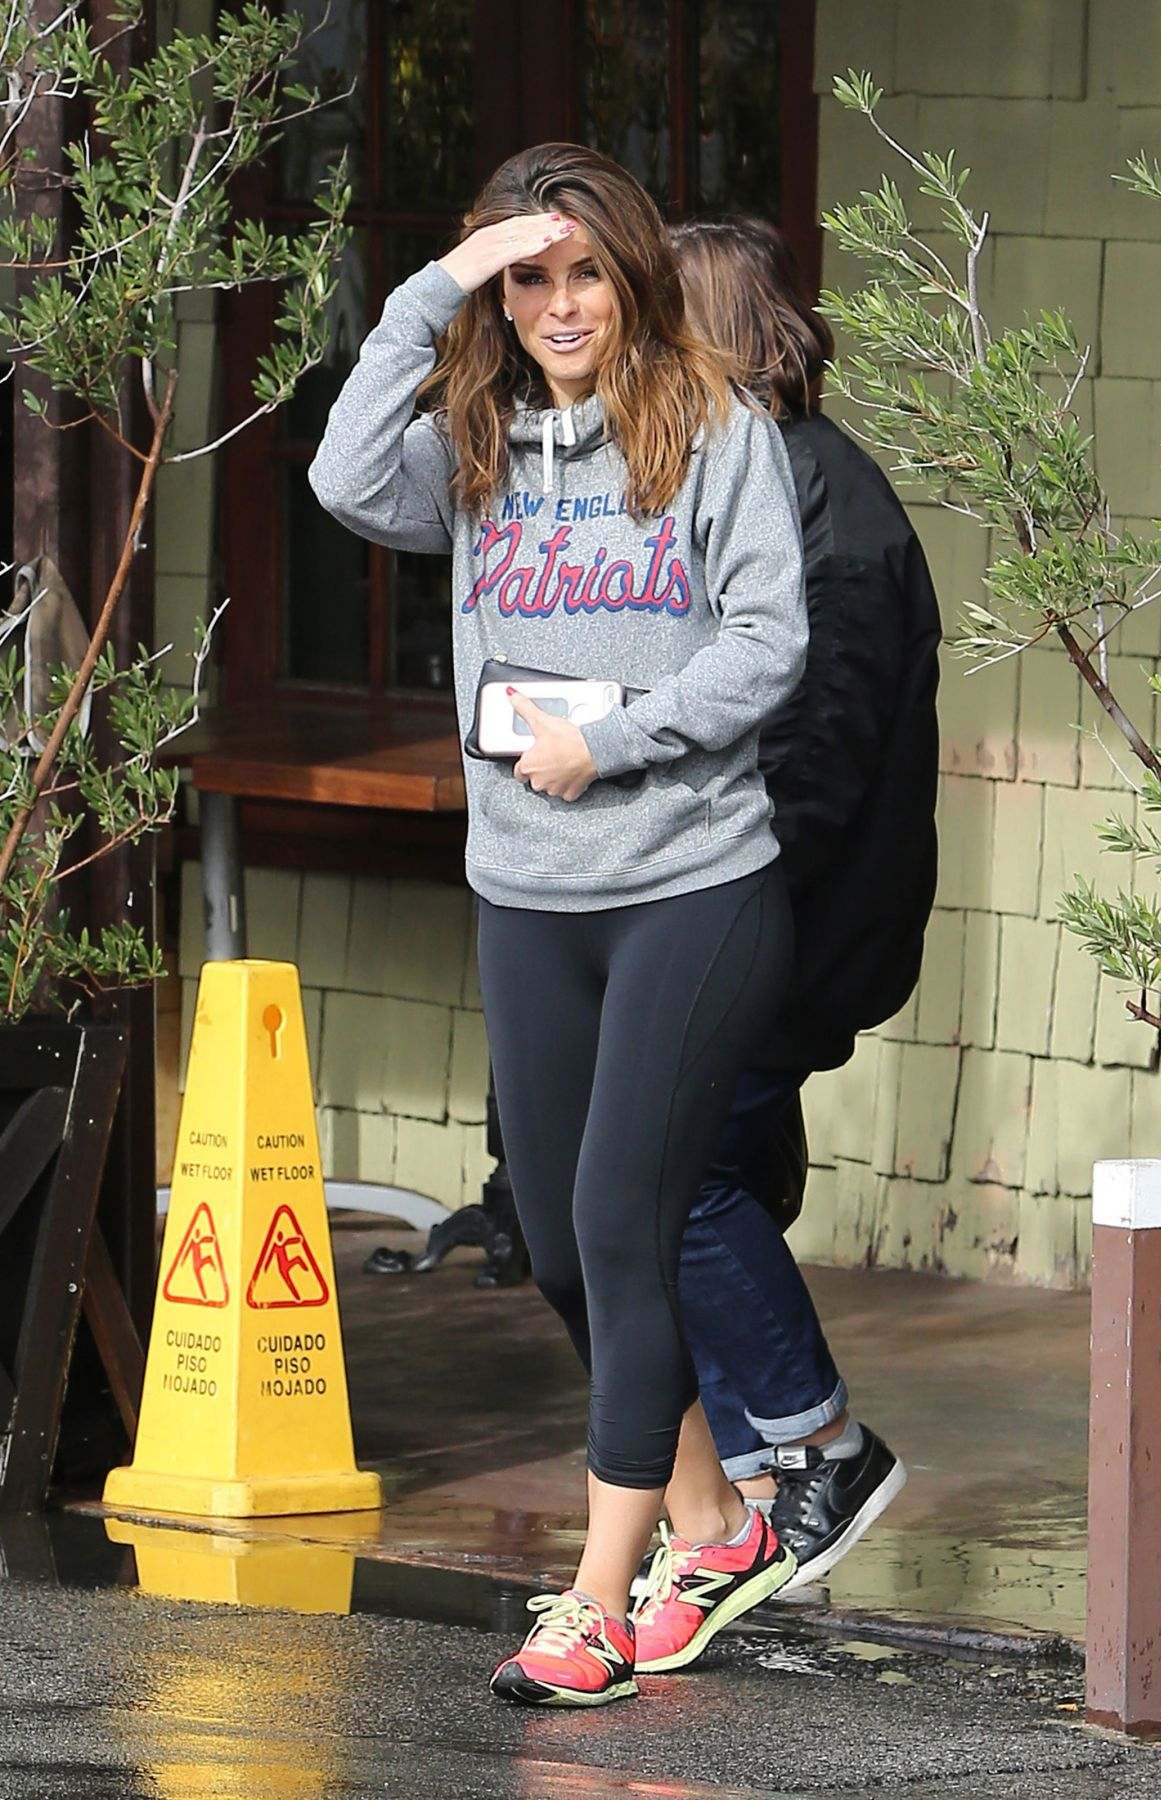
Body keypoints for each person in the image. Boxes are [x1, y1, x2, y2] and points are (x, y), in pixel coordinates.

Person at [309, 146, 808, 1708]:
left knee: (618, 1224)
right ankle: (720, 1522)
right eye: (529, 277)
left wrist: (624, 736)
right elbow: (335, 473)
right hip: (526, 891)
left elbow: (770, 639)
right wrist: (442, 278)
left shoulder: (712, 424)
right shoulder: (476, 439)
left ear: (634, 274)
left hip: (691, 884)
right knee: (559, 1252)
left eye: (584, 270)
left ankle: (598, 1602)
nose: (560, 304)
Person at [662, 216, 941, 1594]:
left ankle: (820, 1446)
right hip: (754, 915)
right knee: (708, 1166)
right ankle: (768, 1484)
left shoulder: (818, 505)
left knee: (675, 1171)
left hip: (782, 923)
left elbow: (811, 776)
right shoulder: (757, 478)